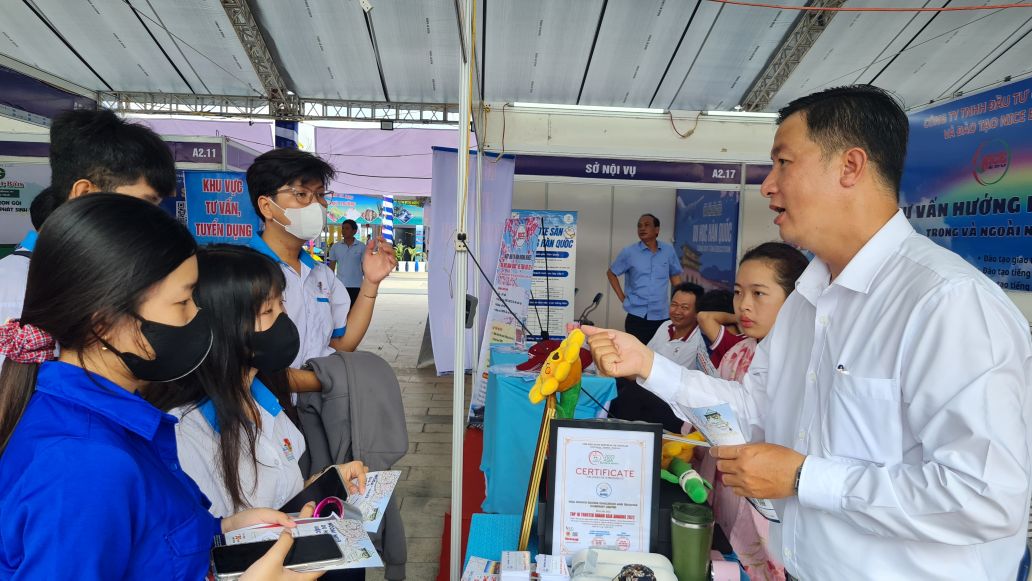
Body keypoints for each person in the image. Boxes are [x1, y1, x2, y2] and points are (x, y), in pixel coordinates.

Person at [584, 85, 1032, 579]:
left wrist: (803, 477)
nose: (767, 186)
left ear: (850, 166)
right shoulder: (805, 303)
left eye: (783, 162)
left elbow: (985, 498)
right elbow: (753, 409)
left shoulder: (945, 303)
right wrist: (648, 366)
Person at [0, 195, 314, 580]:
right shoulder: (83, 465)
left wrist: (222, 532)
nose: (201, 320)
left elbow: (152, 544)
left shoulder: (126, 421)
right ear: (104, 324)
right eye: (183, 303)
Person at [146, 244, 369, 518]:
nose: (284, 320)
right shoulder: (185, 434)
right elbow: (215, 545)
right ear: (221, 325)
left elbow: (279, 505)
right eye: (267, 312)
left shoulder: (263, 397)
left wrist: (324, 485)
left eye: (281, 304)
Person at [0, 108, 174, 338]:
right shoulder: (13, 293)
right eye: (143, 204)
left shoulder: (103, 278)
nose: (152, 222)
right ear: (84, 193)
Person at [245, 149, 397, 393]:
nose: (317, 205)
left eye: (320, 194)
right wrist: (332, 380)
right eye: (302, 194)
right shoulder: (243, 272)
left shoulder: (320, 274)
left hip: (316, 412)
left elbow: (341, 344)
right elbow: (246, 367)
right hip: (264, 416)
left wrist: (371, 282)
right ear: (267, 206)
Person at [696, 243, 807, 381]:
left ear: (794, 297)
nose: (743, 305)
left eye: (758, 293)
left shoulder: (809, 362)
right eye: (738, 292)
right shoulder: (735, 354)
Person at [608, 282, 705, 433]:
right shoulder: (665, 326)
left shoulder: (699, 341)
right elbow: (645, 356)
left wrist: (635, 375)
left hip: (674, 406)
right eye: (674, 305)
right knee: (613, 381)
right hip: (648, 389)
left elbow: (666, 380)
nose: (677, 311)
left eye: (684, 308)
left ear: (697, 313)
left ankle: (619, 435)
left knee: (633, 391)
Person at [607, 213, 683, 344]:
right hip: (637, 316)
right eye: (639, 226)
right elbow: (611, 273)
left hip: (662, 316)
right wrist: (622, 298)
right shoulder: (629, 252)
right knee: (636, 355)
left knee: (660, 356)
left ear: (657, 230)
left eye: (647, 225)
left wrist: (682, 304)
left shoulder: (668, 251)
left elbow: (675, 278)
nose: (642, 229)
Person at [327, 219, 366, 305]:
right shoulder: (335, 246)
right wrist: (329, 283)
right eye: (343, 228)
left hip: (357, 285)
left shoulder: (362, 246)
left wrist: (367, 284)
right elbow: (332, 267)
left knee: (355, 311)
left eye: (347, 228)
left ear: (354, 231)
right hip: (340, 285)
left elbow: (365, 266)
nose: (343, 231)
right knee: (341, 311)